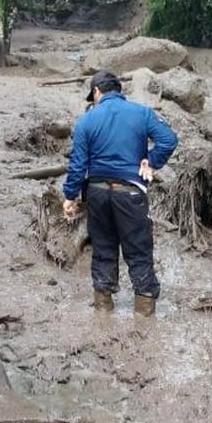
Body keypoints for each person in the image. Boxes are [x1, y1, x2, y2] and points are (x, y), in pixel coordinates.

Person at [63, 71, 178, 316]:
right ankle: (144, 313)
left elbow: (77, 164)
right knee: (138, 249)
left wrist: (70, 197)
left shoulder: (87, 120)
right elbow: (168, 140)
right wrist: (151, 162)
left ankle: (103, 308)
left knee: (103, 248)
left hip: (96, 193)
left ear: (96, 92)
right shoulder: (142, 113)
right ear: (119, 91)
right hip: (130, 193)